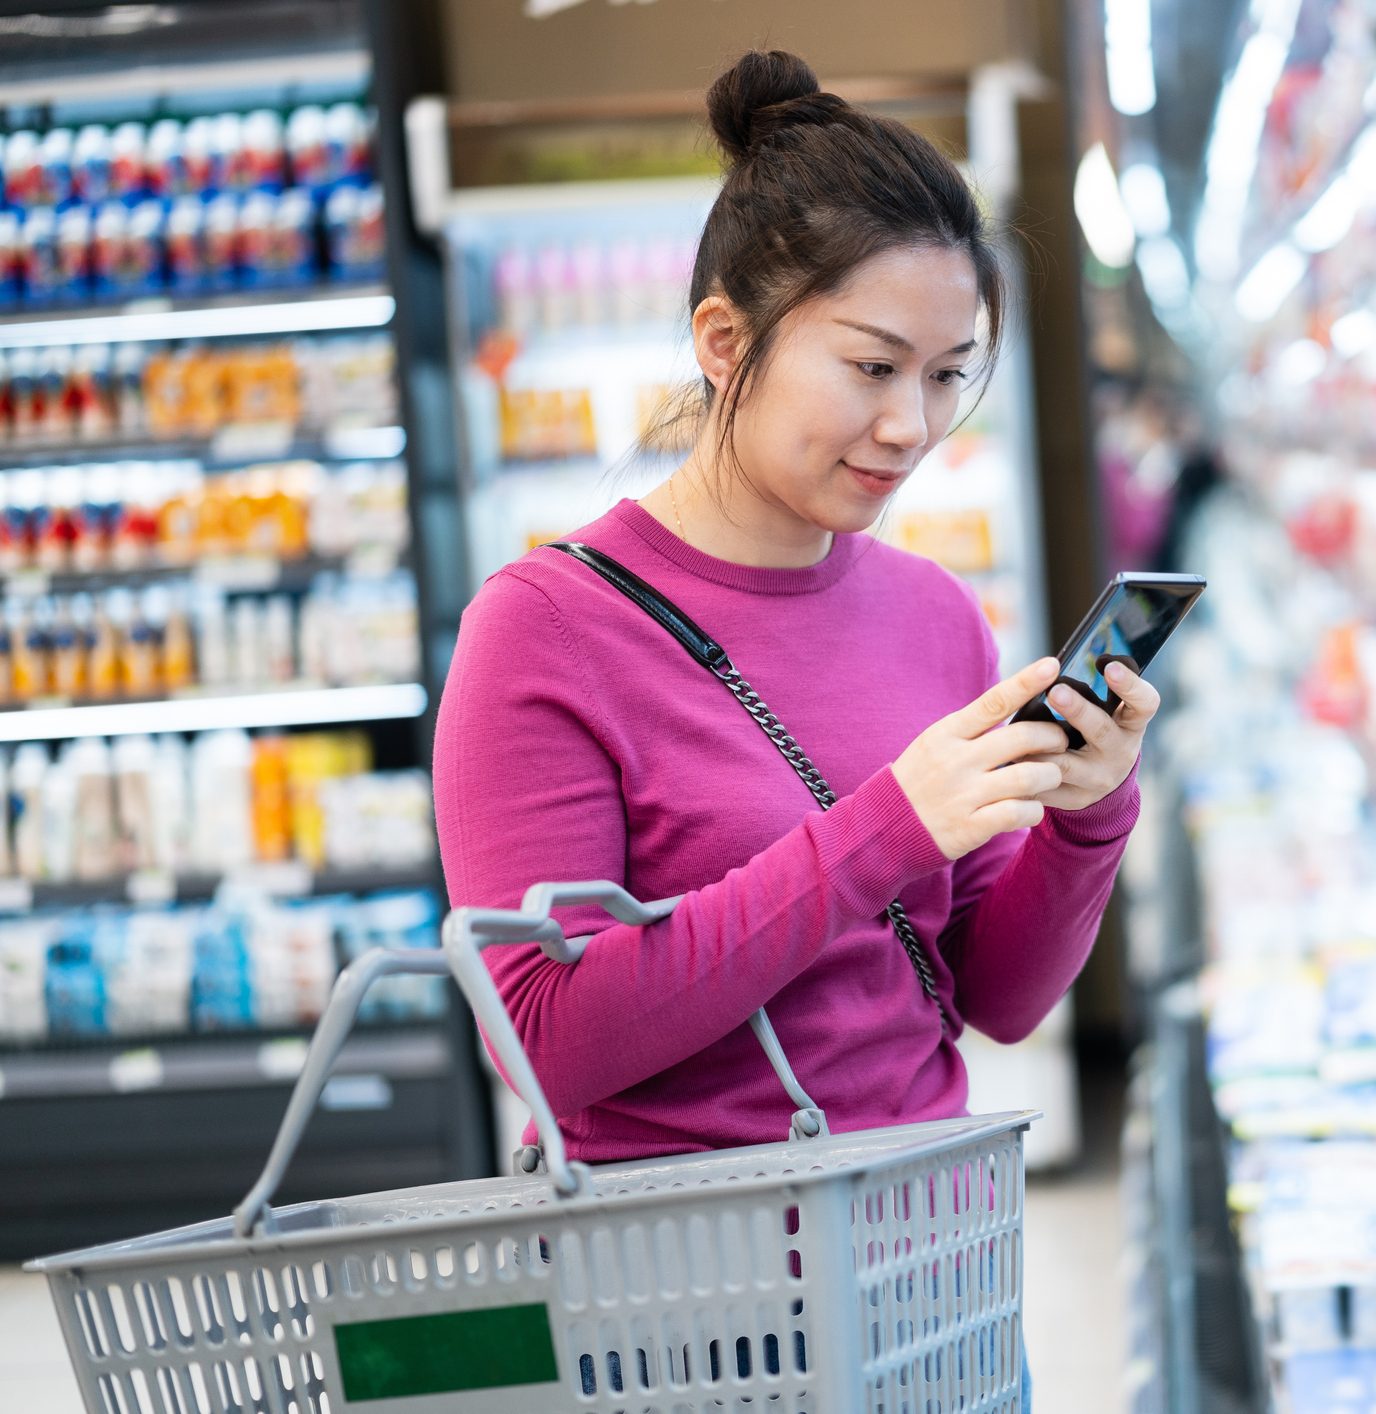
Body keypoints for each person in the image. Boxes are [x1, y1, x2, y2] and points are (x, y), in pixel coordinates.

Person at [432, 53, 1151, 1394]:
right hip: (684, 1308)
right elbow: (542, 1035)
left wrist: (1085, 813)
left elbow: (992, 998)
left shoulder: (933, 614)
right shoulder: (541, 629)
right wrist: (883, 832)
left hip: (936, 1272)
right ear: (724, 343)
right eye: (872, 365)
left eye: (948, 375)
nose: (909, 424)